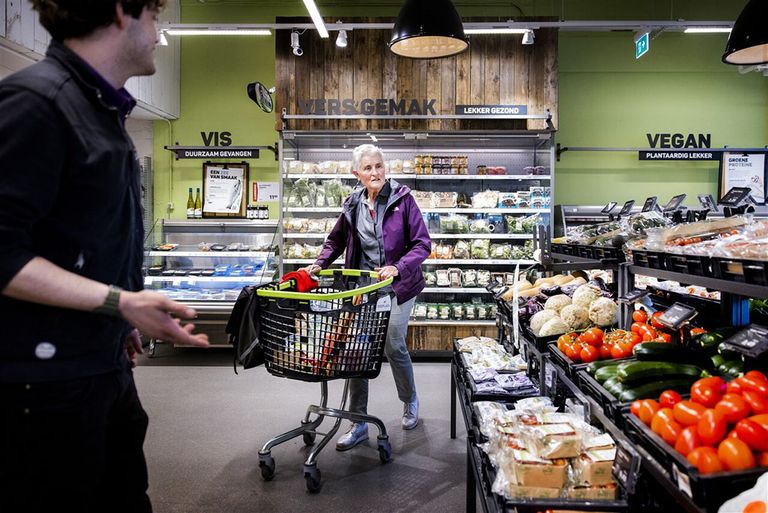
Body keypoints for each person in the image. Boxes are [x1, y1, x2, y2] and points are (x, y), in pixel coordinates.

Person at [0, 1, 209, 512]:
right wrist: (118, 302)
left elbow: (78, 236)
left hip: (101, 367)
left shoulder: (100, 110)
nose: (159, 34)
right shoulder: (36, 102)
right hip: (44, 388)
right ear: (122, 12)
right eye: (155, 17)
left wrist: (120, 319)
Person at [303, 144, 431, 451]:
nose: (375, 173)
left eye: (379, 166)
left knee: (393, 344)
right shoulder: (352, 204)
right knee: (357, 350)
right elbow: (335, 240)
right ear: (357, 174)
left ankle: (409, 400)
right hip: (363, 289)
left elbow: (422, 244)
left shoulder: (404, 200)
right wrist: (319, 263)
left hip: (399, 286)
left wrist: (397, 268)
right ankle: (358, 422)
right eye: (368, 168)